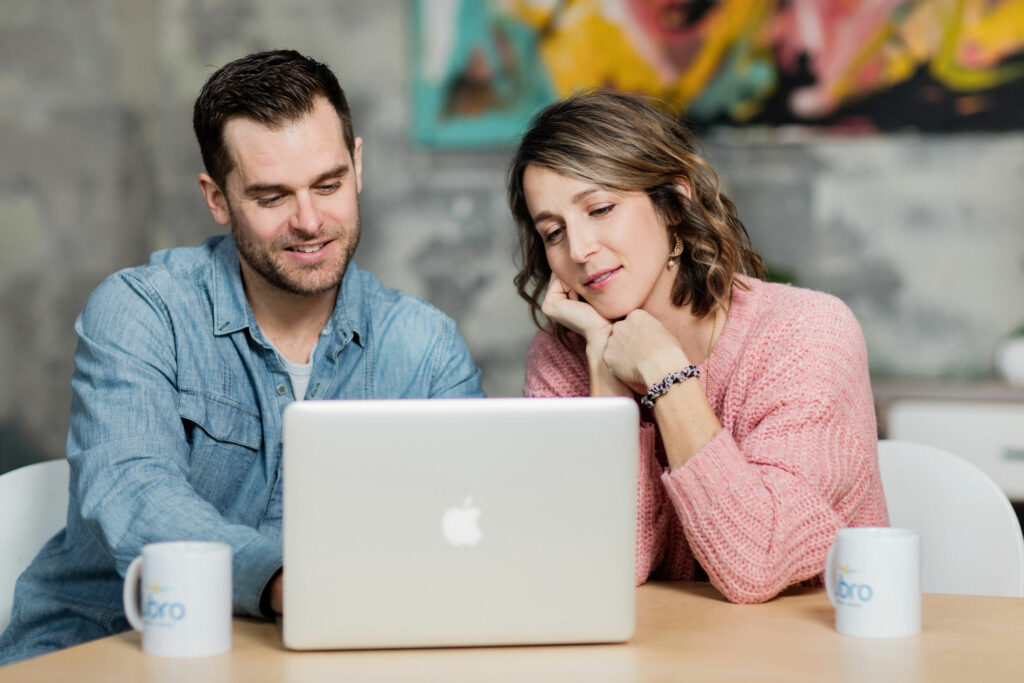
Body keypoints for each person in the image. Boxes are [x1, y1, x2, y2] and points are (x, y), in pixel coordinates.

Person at [0, 49, 483, 665]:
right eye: (271, 196)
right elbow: (135, 488)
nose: (310, 221)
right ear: (217, 198)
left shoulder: (427, 349)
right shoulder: (141, 311)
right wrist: (282, 580)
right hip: (104, 647)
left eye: (328, 184)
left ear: (358, 165)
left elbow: (471, 528)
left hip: (321, 656)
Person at [507, 89, 887, 604]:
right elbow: (600, 565)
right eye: (553, 232)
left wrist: (665, 372)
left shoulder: (806, 332)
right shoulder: (561, 358)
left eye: (599, 209)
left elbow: (757, 561)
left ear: (674, 203)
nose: (579, 250)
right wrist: (606, 373)